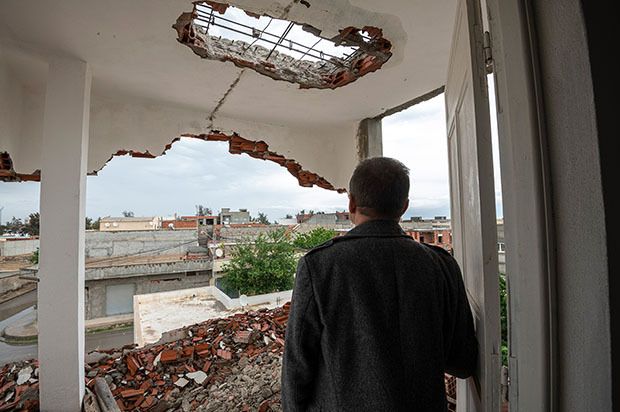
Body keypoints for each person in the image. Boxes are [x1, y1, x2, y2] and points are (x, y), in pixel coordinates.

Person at [281, 157, 478, 411]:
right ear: (404, 206)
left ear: (351, 202)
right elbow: (462, 361)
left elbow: (297, 370)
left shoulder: (320, 266)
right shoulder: (440, 265)